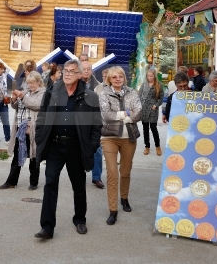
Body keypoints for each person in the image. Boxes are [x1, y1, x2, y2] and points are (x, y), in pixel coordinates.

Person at [34, 59, 102, 239]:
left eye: (72, 71)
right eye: (66, 71)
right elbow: (41, 117)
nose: (68, 74)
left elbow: (96, 126)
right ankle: (47, 227)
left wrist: (91, 146)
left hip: (76, 147)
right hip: (55, 146)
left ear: (80, 75)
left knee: (79, 186)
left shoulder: (90, 97)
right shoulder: (52, 93)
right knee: (50, 184)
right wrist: (39, 137)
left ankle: (80, 219)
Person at [99, 66, 142, 226]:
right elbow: (106, 115)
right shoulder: (104, 94)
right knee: (112, 173)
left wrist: (126, 116)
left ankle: (124, 198)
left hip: (129, 138)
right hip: (109, 137)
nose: (118, 79)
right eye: (114, 77)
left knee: (125, 171)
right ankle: (113, 210)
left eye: (120, 76)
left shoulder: (132, 93)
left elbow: (138, 113)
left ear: (124, 78)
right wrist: (126, 113)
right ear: (109, 79)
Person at [0, 72, 46, 190]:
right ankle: (11, 182)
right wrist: (14, 100)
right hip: (20, 129)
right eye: (28, 83)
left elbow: (35, 105)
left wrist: (22, 97)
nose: (30, 85)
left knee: (34, 157)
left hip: (33, 130)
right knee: (17, 156)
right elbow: (16, 107)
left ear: (39, 82)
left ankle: (33, 182)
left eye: (32, 83)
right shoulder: (25, 92)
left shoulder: (43, 93)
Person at [81, 59, 104, 189]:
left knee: (97, 150)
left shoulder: (99, 86)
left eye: (89, 69)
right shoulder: (74, 84)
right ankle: (80, 174)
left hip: (93, 122)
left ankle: (97, 178)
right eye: (84, 69)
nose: (86, 71)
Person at [138, 68, 164, 156]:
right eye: (148, 76)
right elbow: (139, 95)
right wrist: (139, 105)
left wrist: (156, 105)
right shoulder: (144, 85)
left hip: (153, 109)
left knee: (153, 128)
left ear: (154, 76)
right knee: (145, 129)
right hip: (144, 108)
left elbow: (161, 98)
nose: (149, 78)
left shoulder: (159, 85)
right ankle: (147, 146)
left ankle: (158, 146)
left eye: (151, 76)